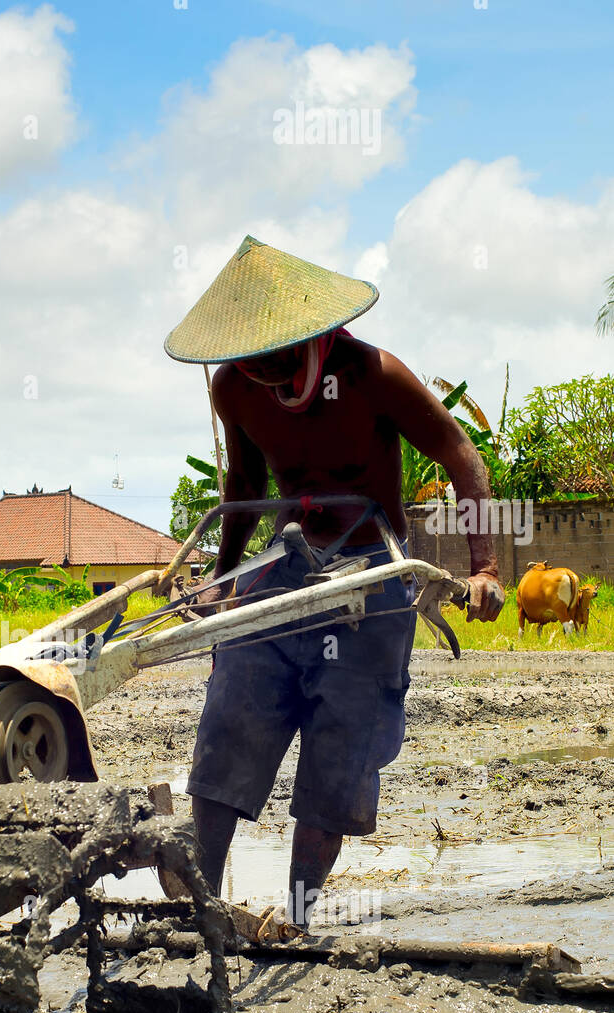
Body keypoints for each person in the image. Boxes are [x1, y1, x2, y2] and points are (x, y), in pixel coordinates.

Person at [164, 236, 505, 932]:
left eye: (275, 354)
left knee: (340, 752)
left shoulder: (373, 374)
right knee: (230, 726)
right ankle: (199, 911)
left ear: (307, 333)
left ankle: (297, 917)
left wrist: (486, 567)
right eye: (248, 356)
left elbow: (456, 451)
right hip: (282, 573)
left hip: (370, 575)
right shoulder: (233, 388)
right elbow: (244, 484)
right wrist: (225, 579)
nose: (263, 370)